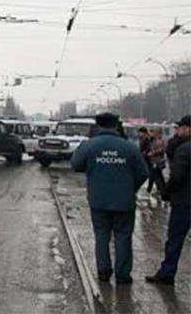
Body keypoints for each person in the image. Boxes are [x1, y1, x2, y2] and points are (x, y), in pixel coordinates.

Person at [71, 112, 149, 285]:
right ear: (116, 125)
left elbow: (75, 165)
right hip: (124, 201)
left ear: (98, 126)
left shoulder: (89, 145)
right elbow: (143, 172)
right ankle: (123, 275)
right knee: (123, 237)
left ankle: (103, 272)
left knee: (101, 235)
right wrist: (130, 188)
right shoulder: (129, 147)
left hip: (98, 200)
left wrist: (94, 169)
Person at [146, 116, 191, 286]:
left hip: (184, 202)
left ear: (188, 129)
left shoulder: (184, 149)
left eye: (180, 128)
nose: (177, 131)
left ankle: (166, 273)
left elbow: (177, 176)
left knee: (175, 239)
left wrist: (166, 192)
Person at [146, 127, 167, 196]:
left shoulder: (159, 141)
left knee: (157, 177)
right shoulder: (155, 140)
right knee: (159, 176)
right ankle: (162, 190)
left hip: (157, 161)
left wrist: (152, 153)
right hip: (156, 161)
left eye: (154, 132)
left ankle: (161, 191)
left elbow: (160, 150)